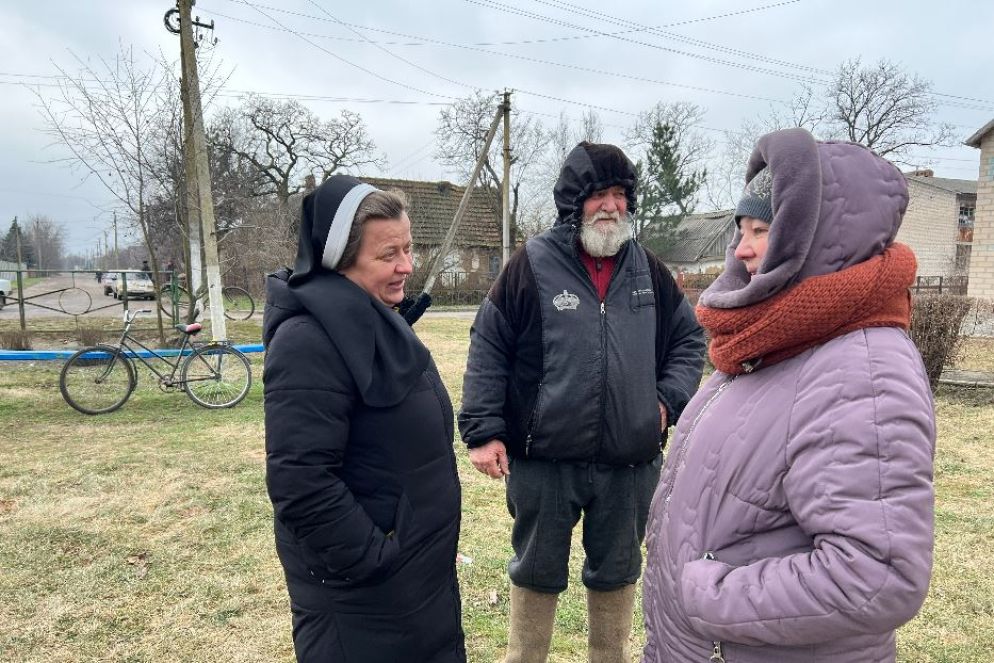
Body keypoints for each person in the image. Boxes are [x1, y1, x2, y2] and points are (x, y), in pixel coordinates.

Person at [640, 128, 936, 663]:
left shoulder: (858, 370)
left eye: (764, 229)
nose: (744, 249)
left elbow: (876, 574)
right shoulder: (771, 338)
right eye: (742, 229)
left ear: (812, 235)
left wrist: (711, 595)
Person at [459, 142, 706, 662]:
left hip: (628, 463)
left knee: (617, 573)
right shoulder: (530, 265)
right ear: (574, 202)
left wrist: (666, 402)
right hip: (544, 459)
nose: (611, 207)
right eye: (598, 195)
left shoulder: (650, 272)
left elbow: (689, 341)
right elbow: (490, 344)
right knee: (535, 570)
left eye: (620, 194)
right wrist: (483, 430)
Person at [263, 174, 466, 663]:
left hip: (416, 585)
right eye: (387, 255)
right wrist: (378, 559)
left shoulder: (378, 319)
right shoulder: (308, 341)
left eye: (409, 249)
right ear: (339, 258)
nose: (406, 266)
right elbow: (301, 482)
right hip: (365, 601)